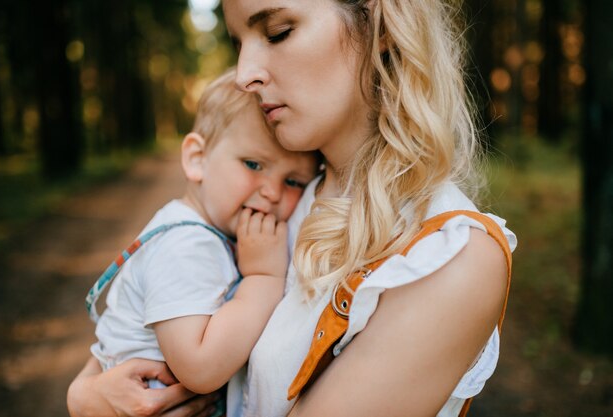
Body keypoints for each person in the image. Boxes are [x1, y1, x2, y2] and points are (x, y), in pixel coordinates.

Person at [67, 1, 518, 416]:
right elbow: (142, 319)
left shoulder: (448, 257)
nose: (244, 73)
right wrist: (85, 397)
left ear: (380, 23)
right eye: (239, 42)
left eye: (278, 32)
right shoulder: (280, 196)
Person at [77, 68, 319, 413]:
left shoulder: (198, 231)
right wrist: (263, 279)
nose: (272, 191)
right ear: (196, 159)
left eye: (294, 182)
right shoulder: (187, 245)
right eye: (253, 164)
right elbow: (200, 368)